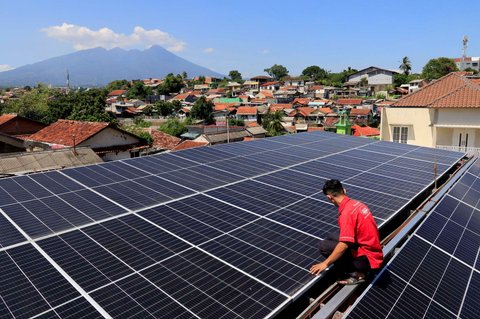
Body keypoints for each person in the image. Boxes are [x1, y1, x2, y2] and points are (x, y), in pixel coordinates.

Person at [309, 179, 383, 285]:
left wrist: (325, 263)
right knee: (331, 236)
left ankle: (358, 273)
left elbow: (344, 245)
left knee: (324, 246)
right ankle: (357, 267)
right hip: (374, 250)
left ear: (329, 197)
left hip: (367, 260)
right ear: (344, 190)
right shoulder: (357, 204)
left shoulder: (346, 214)